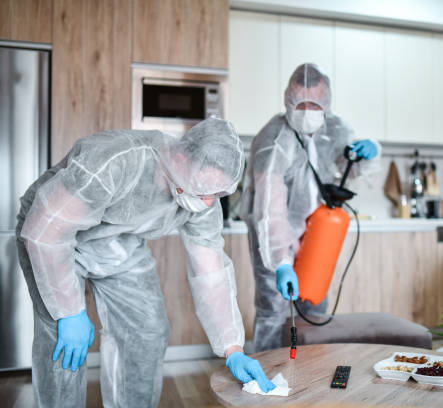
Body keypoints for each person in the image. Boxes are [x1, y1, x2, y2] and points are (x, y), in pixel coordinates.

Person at [16, 117, 275, 407]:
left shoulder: (204, 201)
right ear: (179, 157)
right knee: (64, 343)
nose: (206, 203)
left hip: (118, 242)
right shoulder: (117, 160)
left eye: (215, 195)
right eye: (202, 192)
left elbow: (210, 271)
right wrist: (69, 312)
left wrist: (233, 348)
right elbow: (45, 232)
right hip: (53, 235)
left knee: (147, 331)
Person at [239, 63, 381, 352]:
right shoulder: (272, 140)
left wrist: (368, 153)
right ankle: (266, 374)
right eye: (300, 104)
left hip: (317, 230)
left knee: (315, 302)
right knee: (274, 310)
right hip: (273, 234)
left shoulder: (335, 129)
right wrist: (281, 260)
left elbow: (347, 169)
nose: (307, 111)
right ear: (288, 101)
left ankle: (312, 374)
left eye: (314, 104)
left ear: (326, 103)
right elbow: (269, 207)